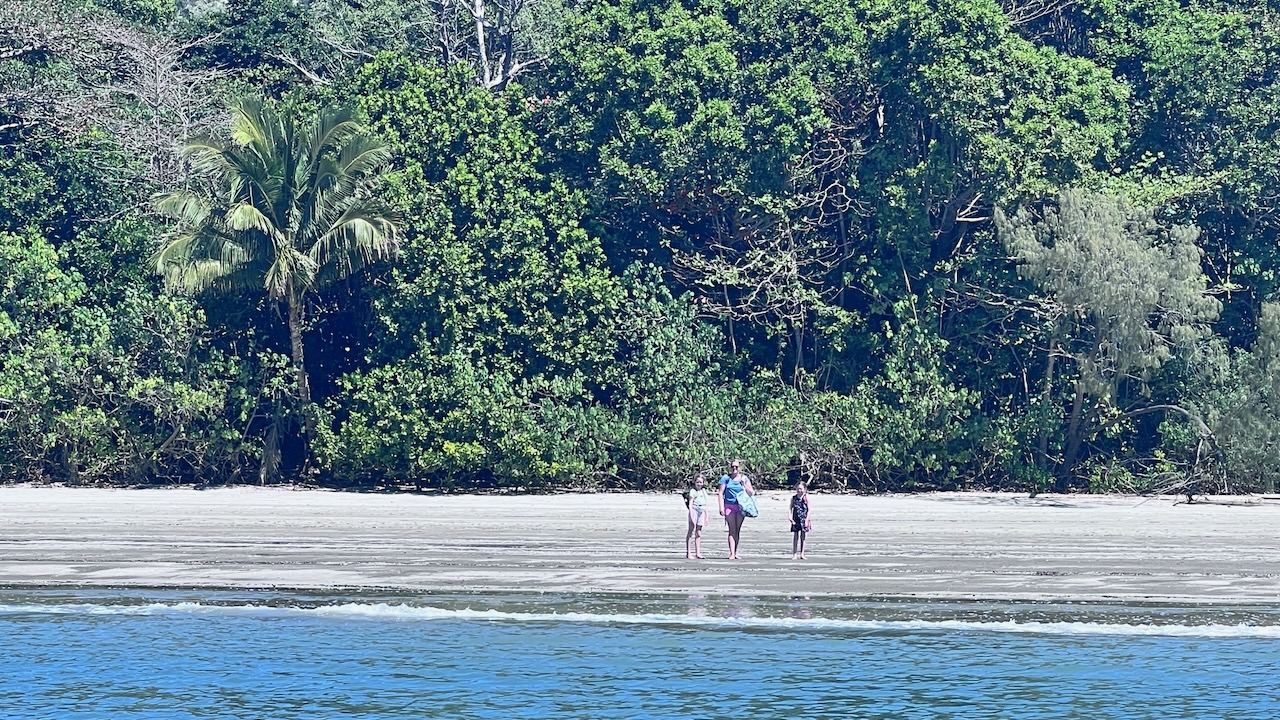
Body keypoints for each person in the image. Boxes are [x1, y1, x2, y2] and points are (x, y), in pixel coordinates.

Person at [718, 460, 755, 560]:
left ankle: (735, 552)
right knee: (731, 529)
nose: (734, 469)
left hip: (740, 507)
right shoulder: (726, 478)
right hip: (729, 506)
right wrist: (721, 507)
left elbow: (751, 492)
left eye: (736, 467)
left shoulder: (744, 478)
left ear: (740, 468)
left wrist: (744, 484)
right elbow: (721, 493)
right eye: (732, 467)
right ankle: (731, 553)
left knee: (737, 530)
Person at [684, 474, 709, 559]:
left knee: (698, 532)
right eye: (697, 482)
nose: (699, 484)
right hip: (694, 510)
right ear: (695, 482)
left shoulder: (703, 491)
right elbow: (690, 505)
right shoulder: (693, 491)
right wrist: (692, 516)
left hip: (701, 511)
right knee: (691, 531)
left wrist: (707, 516)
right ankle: (689, 553)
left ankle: (698, 552)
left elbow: (706, 505)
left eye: (701, 482)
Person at [790, 482, 811, 560]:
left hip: (804, 519)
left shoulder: (806, 498)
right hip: (796, 518)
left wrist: (807, 520)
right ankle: (794, 554)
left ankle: (802, 553)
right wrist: (790, 517)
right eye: (798, 489)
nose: (799, 490)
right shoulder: (794, 498)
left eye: (801, 489)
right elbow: (790, 508)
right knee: (795, 536)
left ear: (804, 489)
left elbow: (809, 510)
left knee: (803, 537)